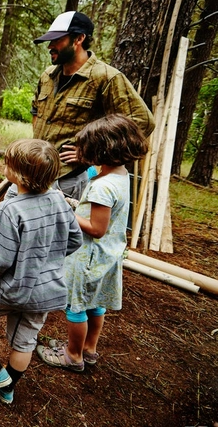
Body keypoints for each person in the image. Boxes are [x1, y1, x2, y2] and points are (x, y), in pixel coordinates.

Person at [0, 139, 82, 405]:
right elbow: (75, 240)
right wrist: (48, 261)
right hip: (48, 290)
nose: (5, 167)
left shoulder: (10, 209)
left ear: (19, 175)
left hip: (14, 287)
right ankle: (7, 388)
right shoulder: (60, 200)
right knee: (26, 339)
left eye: (8, 164)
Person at [37, 115, 149, 372]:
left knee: (75, 306)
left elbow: (97, 229)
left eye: (86, 147)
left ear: (103, 149)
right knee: (95, 303)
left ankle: (72, 355)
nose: (82, 152)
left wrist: (65, 212)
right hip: (107, 255)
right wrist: (74, 204)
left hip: (87, 255)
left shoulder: (102, 186)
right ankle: (89, 349)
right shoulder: (120, 175)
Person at [30, 10, 155, 201]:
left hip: (66, 180)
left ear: (78, 39)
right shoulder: (48, 75)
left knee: (60, 231)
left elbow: (142, 121)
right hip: (34, 172)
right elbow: (36, 112)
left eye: (57, 40)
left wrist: (91, 155)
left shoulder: (106, 77)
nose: (50, 46)